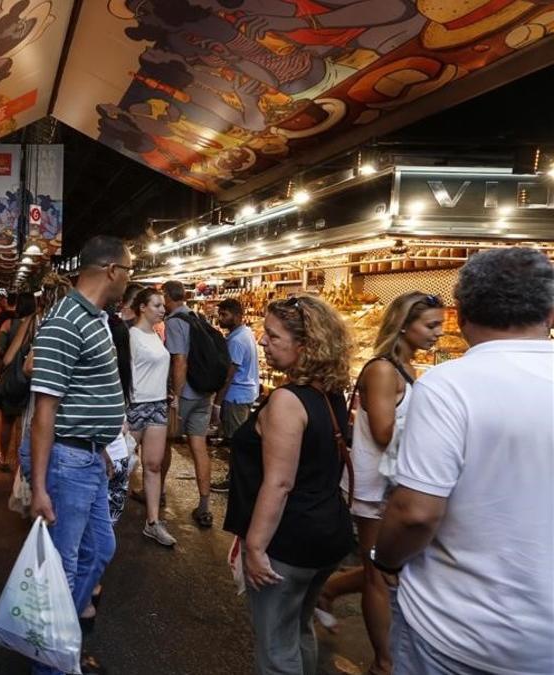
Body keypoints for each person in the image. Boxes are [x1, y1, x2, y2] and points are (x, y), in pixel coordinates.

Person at [374, 248, 554, 675]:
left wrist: (386, 560)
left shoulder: (447, 386)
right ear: (549, 313)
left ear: (465, 315)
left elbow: (416, 513)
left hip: (456, 628)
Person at [222, 295, 356, 675]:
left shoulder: (286, 400)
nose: (263, 342)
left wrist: (256, 546)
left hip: (291, 539)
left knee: (276, 647)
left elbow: (279, 483)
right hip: (327, 532)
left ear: (305, 345)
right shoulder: (329, 393)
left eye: (273, 336)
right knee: (298, 629)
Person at [310, 291, 443, 672]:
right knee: (378, 573)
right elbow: (385, 432)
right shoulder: (383, 370)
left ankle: (331, 590)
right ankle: (384, 662)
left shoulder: (407, 368)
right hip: (374, 486)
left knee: (388, 565)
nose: (438, 332)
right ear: (404, 324)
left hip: (395, 482)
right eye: (430, 325)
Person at [28, 235, 130, 675]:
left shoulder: (94, 318)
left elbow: (85, 395)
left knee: (99, 550)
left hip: (88, 458)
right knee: (64, 568)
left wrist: (102, 446)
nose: (130, 280)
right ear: (111, 270)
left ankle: (60, 644)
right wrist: (38, 484)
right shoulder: (66, 320)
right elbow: (44, 410)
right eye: (129, 271)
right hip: (68, 464)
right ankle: (52, 664)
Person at [164, 280, 216, 528]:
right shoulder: (197, 317)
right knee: (199, 447)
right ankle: (204, 506)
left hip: (185, 394)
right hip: (204, 393)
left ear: (167, 297)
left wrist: (175, 394)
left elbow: (179, 361)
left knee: (163, 441)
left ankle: (158, 491)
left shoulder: (174, 322)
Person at [127, 288, 177, 546]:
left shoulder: (157, 334)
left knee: (154, 465)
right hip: (136, 406)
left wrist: (167, 394)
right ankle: (101, 518)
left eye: (162, 305)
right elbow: (124, 374)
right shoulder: (131, 336)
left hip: (157, 405)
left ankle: (153, 522)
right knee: (119, 466)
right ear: (142, 307)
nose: (162, 308)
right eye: (156, 304)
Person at [210, 297, 261, 493]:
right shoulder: (244, 333)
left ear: (238, 316)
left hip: (236, 396)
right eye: (220, 314)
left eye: (225, 315)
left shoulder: (237, 341)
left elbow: (228, 376)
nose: (221, 318)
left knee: (235, 441)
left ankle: (235, 481)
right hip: (245, 393)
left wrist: (217, 403)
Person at [0, 291, 37, 472]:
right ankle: (20, 461)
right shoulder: (37, 326)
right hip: (30, 380)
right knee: (23, 423)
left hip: (11, 379)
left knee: (7, 421)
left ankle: (3, 456)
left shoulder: (9, 324)